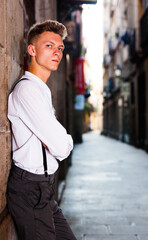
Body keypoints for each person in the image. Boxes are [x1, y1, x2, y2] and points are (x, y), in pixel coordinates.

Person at [7, 20, 77, 240]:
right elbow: (61, 147)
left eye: (60, 48)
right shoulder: (28, 90)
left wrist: (60, 138)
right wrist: (65, 140)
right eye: (49, 46)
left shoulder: (41, 90)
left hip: (45, 189)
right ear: (32, 50)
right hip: (30, 188)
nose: (56, 52)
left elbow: (56, 141)